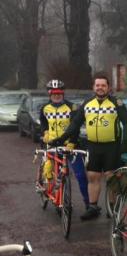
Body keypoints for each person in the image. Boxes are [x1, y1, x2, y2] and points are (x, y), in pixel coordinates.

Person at [51, 74, 127, 221]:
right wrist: (62, 138)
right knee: (93, 177)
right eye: (97, 85)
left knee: (111, 178)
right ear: (93, 87)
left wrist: (124, 144)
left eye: (103, 85)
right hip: (93, 145)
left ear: (108, 87)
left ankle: (113, 208)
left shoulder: (116, 103)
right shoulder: (87, 103)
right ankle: (93, 207)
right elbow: (75, 124)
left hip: (111, 146)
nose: (100, 88)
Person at [40, 79, 89, 209]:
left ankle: (88, 204)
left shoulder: (72, 107)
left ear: (63, 93)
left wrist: (72, 142)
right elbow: (43, 121)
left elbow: (76, 127)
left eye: (59, 93)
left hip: (69, 145)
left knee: (80, 175)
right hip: (52, 145)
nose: (57, 95)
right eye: (54, 93)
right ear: (49, 94)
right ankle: (52, 194)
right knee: (49, 170)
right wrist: (45, 132)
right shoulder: (44, 108)